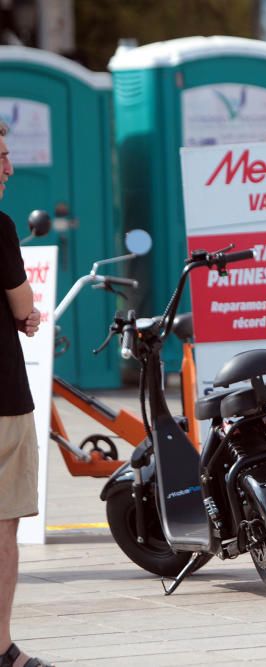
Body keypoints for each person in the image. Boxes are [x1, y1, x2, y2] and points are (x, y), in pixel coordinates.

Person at [0, 122, 48, 667]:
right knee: (2, 527)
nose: (9, 168)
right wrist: (27, 315)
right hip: (1, 404)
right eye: (2, 158)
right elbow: (21, 305)